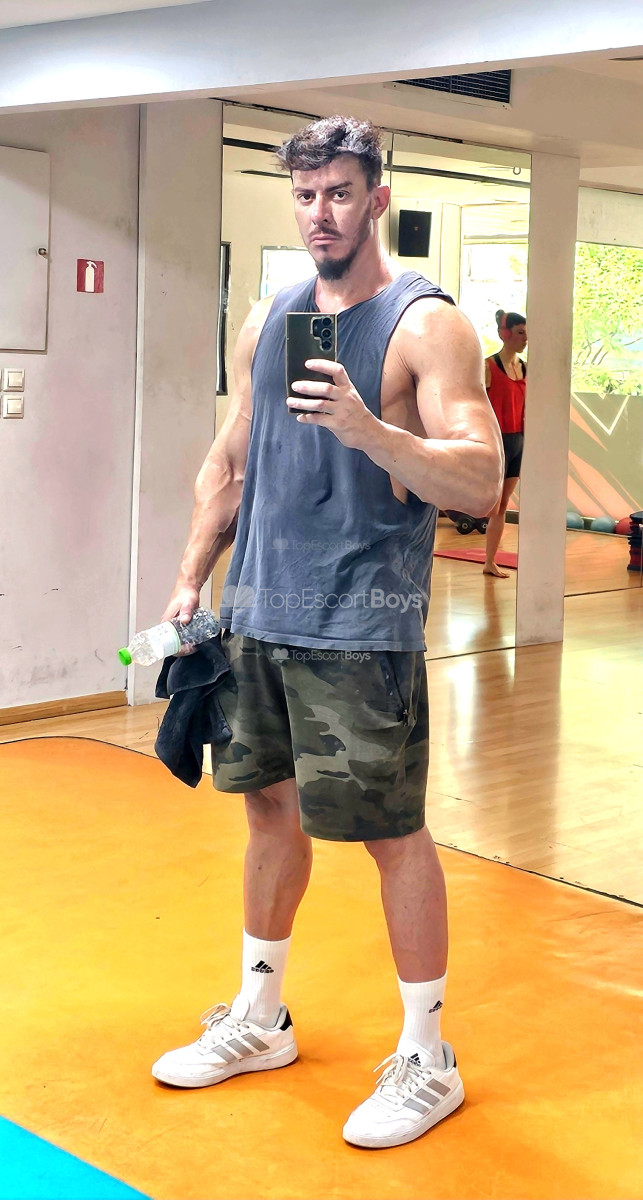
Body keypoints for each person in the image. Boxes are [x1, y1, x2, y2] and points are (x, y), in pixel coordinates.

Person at [151, 116, 503, 1149]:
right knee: (268, 815)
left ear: (376, 200)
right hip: (259, 613)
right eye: (306, 196)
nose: (321, 214)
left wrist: (369, 429)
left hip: (363, 625)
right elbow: (230, 458)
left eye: (340, 194)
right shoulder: (272, 317)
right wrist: (191, 577)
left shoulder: (426, 325)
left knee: (391, 835)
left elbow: (480, 479)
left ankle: (428, 1057)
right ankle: (261, 1016)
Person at [483, 309, 528, 577]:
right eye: (521, 333)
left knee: (503, 505)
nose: (525, 339)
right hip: (497, 441)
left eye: (527, 333)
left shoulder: (526, 368)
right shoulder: (487, 367)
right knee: (494, 504)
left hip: (518, 441)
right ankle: (489, 560)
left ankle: (490, 561)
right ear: (506, 334)